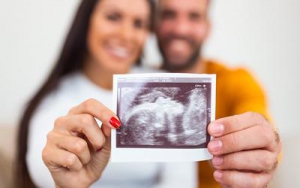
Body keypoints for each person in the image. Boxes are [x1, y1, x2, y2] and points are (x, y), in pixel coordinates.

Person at [15, 0, 196, 188]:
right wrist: (64, 180)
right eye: (113, 17)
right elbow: (42, 169)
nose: (126, 35)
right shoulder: (53, 99)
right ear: (86, 22)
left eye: (138, 24)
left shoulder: (166, 88)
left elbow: (181, 181)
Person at [154, 0, 282, 187]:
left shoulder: (236, 81)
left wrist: (265, 141)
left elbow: (259, 116)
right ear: (154, 24)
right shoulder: (135, 86)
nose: (180, 29)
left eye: (194, 16)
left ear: (207, 28)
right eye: (169, 15)